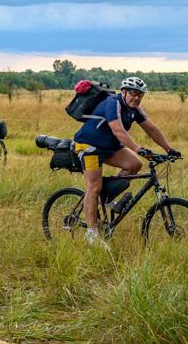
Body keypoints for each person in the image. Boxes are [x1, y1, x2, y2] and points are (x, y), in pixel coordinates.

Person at [73, 76, 181, 245]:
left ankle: (106, 198)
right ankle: (91, 233)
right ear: (124, 92)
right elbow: (118, 131)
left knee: (134, 164)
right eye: (133, 93)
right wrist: (139, 149)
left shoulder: (135, 109)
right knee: (94, 186)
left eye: (140, 95)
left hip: (109, 148)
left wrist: (169, 149)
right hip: (89, 147)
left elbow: (151, 128)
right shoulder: (113, 103)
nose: (137, 97)